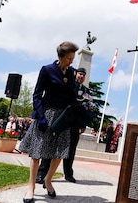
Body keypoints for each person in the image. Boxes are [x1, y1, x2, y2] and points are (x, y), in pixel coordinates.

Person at [19, 41, 79, 203]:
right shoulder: (47, 70)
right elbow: (37, 95)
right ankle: (31, 187)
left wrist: (74, 113)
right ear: (60, 56)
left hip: (62, 118)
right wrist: (41, 117)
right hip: (46, 114)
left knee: (60, 152)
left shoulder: (72, 73)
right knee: (37, 153)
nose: (71, 62)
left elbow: (72, 96)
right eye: (69, 58)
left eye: (73, 58)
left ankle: (48, 180)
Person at [36, 67, 93, 184]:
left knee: (71, 151)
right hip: (62, 121)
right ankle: (41, 174)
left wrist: (83, 124)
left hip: (75, 124)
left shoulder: (86, 91)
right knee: (51, 147)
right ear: (75, 74)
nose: (81, 76)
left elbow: (87, 108)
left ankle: (68, 174)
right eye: (79, 74)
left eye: (83, 75)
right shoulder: (68, 86)